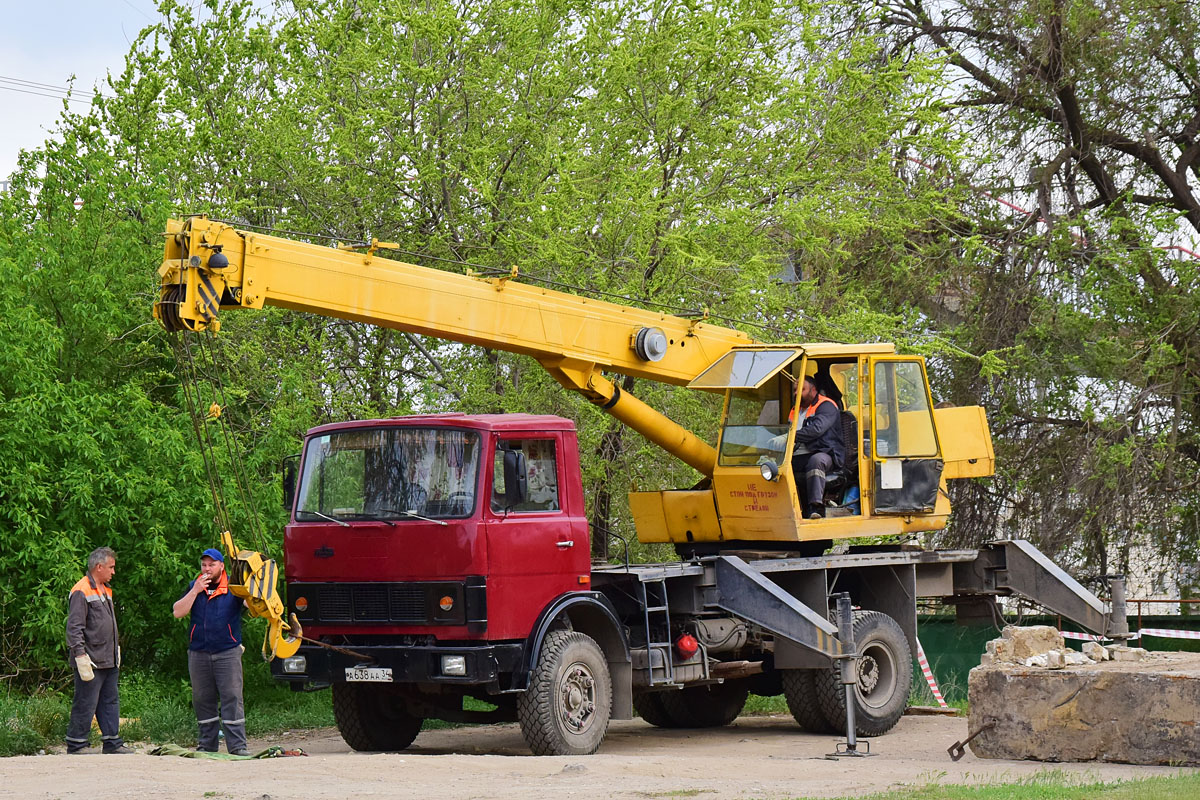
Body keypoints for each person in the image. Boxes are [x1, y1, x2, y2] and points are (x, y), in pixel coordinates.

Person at [172, 548, 250, 756]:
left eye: (211, 565)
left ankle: (238, 746)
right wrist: (195, 591)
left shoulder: (233, 588)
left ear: (221, 567)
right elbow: (178, 612)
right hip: (198, 653)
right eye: (204, 565)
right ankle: (207, 745)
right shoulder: (194, 587)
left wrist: (253, 589)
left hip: (227, 652)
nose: (206, 569)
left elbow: (253, 607)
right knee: (202, 699)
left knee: (232, 698)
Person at [65, 546, 133, 754]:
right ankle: (76, 743)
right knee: (86, 701)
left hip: (109, 658)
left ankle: (112, 742)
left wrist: (116, 651)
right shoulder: (81, 590)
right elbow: (74, 627)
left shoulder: (105, 589)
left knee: (110, 701)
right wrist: (80, 655)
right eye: (111, 567)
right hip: (91, 659)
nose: (114, 572)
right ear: (99, 566)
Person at [791, 375, 845, 519]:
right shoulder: (794, 410)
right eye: (795, 390)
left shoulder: (826, 406)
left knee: (816, 461)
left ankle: (816, 508)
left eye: (802, 389)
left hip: (826, 452)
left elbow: (817, 429)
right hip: (800, 454)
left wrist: (790, 437)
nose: (796, 393)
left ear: (813, 390)